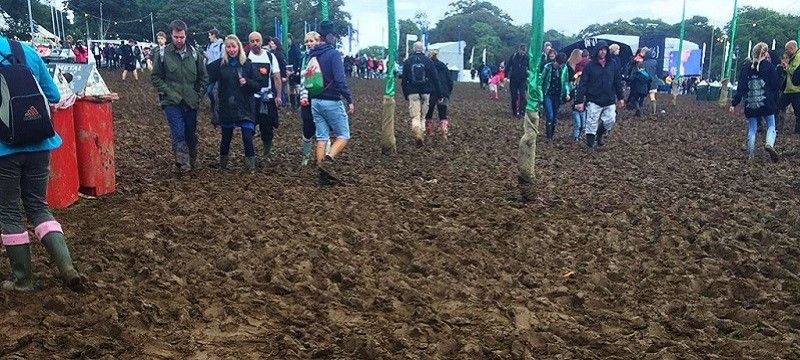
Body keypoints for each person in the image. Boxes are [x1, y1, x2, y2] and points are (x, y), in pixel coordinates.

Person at [0, 35, 83, 292]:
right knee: (38, 206)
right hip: (40, 144)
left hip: (4, 150)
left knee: (9, 212)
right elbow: (54, 94)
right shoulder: (25, 51)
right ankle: (68, 268)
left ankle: (23, 280)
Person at [151, 20, 209, 173]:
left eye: (181, 37)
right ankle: (183, 165)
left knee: (190, 132)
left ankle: (191, 158)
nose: (179, 40)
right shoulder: (162, 54)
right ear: (171, 35)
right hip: (171, 101)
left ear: (186, 35)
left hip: (191, 101)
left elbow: (203, 78)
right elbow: (156, 77)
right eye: (176, 37)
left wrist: (198, 95)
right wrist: (169, 92)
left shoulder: (196, 54)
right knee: (178, 132)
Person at [207, 35, 262, 172]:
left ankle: (250, 167)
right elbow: (206, 77)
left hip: (245, 106)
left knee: (247, 136)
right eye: (228, 47)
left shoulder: (247, 64)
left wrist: (247, 82)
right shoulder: (220, 65)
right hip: (227, 106)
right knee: (226, 137)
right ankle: (223, 165)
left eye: (234, 46)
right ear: (225, 48)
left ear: (239, 47)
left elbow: (258, 84)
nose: (231, 49)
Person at [309, 21, 354, 185]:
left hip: (315, 100)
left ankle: (322, 176)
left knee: (322, 137)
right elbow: (340, 80)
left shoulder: (313, 54)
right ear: (330, 36)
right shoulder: (334, 54)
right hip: (331, 100)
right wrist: (349, 99)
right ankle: (328, 159)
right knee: (343, 135)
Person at [575, 41, 624, 151]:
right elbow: (583, 83)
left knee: (610, 120)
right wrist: (579, 101)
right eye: (601, 50)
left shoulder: (613, 65)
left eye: (605, 50)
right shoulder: (589, 66)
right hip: (593, 98)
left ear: (607, 51)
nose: (603, 52)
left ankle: (599, 134)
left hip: (609, 98)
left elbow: (617, 81)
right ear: (597, 51)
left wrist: (620, 97)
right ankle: (590, 145)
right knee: (591, 121)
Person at [246, 32, 282, 164]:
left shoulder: (270, 57)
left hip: (267, 98)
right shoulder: (245, 57)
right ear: (249, 43)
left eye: (257, 40)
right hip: (250, 98)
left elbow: (277, 77)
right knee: (248, 128)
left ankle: (266, 155)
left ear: (261, 42)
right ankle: (250, 156)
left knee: (267, 129)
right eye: (252, 41)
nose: (255, 43)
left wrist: (278, 96)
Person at [402, 41, 442, 147]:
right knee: (423, 117)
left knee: (415, 117)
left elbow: (404, 80)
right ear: (422, 49)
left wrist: (406, 93)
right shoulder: (428, 61)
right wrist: (440, 94)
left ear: (414, 49)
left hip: (412, 91)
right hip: (426, 91)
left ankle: (418, 134)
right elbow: (435, 78)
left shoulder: (408, 61)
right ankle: (422, 135)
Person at [298, 31, 322, 166]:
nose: (308, 44)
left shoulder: (322, 56)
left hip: (320, 95)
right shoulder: (304, 58)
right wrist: (302, 94)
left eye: (311, 41)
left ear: (318, 41)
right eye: (306, 41)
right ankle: (305, 157)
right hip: (306, 96)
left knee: (322, 127)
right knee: (307, 127)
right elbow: (303, 78)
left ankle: (323, 156)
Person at [541, 51, 571, 142]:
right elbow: (542, 80)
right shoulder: (548, 67)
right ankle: (549, 136)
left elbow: (565, 82)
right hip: (548, 94)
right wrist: (540, 94)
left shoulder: (564, 68)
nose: (560, 66)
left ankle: (552, 134)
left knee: (554, 116)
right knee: (549, 115)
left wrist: (567, 93)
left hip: (558, 95)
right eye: (558, 63)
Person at [424, 50, 454, 141]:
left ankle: (429, 132)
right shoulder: (443, 66)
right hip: (444, 92)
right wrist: (448, 92)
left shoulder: (427, 66)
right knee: (443, 114)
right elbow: (450, 81)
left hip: (431, 92)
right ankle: (444, 132)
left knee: (428, 113)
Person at [779, 40, 800, 134]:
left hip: (796, 89)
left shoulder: (798, 57)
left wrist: (787, 67)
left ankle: (797, 132)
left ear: (792, 48)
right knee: (778, 106)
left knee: (798, 112)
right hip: (789, 89)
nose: (786, 52)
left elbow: (795, 73)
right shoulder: (794, 56)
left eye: (787, 50)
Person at [205, 28, 224, 123]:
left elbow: (222, 59)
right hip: (211, 71)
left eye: (210, 35)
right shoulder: (209, 46)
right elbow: (209, 59)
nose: (209, 37)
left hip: (218, 72)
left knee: (217, 92)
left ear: (214, 35)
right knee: (209, 91)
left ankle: (217, 111)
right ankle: (213, 104)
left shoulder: (221, 45)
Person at [568, 49, 586, 142]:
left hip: (583, 108)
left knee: (583, 125)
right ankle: (575, 137)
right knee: (578, 124)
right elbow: (573, 78)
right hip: (575, 108)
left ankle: (579, 136)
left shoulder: (586, 89)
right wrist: (578, 74)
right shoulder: (575, 88)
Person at [507, 44, 528, 118]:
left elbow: (530, 67)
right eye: (521, 51)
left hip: (523, 79)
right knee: (514, 96)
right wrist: (506, 76)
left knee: (523, 95)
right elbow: (508, 66)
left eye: (524, 51)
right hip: (513, 79)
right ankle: (514, 112)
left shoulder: (527, 58)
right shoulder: (513, 57)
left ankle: (522, 111)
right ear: (519, 50)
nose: (522, 53)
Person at [267, 37, 288, 108]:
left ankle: (282, 103)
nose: (271, 45)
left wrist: (283, 76)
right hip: (278, 75)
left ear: (276, 45)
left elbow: (283, 65)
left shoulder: (278, 54)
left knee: (280, 90)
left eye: (273, 44)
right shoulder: (274, 53)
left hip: (280, 75)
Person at [287, 35, 303, 110]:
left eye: (288, 39)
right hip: (290, 69)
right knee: (291, 87)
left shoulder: (295, 47)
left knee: (297, 86)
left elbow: (298, 58)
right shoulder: (288, 48)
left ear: (291, 39)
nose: (287, 41)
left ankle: (298, 103)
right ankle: (293, 104)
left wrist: (297, 70)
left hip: (295, 69)